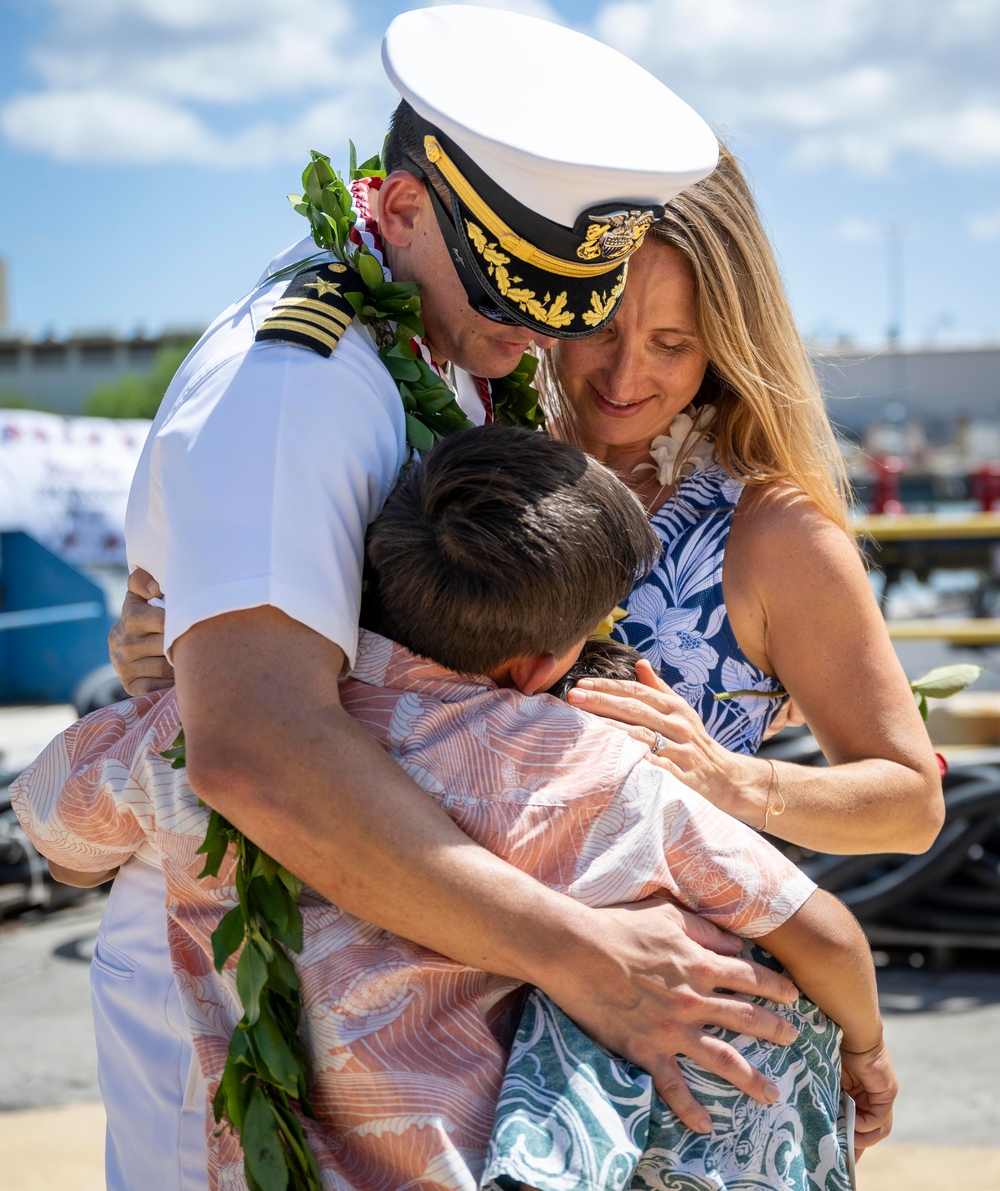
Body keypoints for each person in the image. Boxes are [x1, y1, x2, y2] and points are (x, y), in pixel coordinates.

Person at [96, 4, 797, 1191]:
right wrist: (581, 952)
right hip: (246, 994)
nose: (538, 335)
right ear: (403, 206)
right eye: (515, 289)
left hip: (404, 965)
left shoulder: (447, 356)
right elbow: (258, 749)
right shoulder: (296, 387)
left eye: (567, 300)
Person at [14, 428, 891, 1191]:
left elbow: (58, 841)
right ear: (543, 664)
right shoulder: (591, 768)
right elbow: (827, 937)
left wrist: (163, 687)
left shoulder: (209, 728)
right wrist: (866, 1055)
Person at [536, 144, 944, 858]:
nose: (625, 375)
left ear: (723, 346)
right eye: (600, 327)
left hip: (672, 962)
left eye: (671, 344)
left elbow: (911, 803)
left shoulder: (773, 531)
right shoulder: (479, 453)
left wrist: (731, 781)